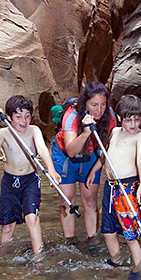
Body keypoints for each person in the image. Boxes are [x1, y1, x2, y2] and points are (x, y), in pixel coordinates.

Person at [0, 95, 61, 258]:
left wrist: (51, 171)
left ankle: (39, 258)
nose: (23, 121)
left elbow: (42, 150)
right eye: (18, 116)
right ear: (10, 117)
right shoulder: (4, 133)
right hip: (9, 182)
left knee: (32, 218)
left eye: (27, 116)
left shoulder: (34, 130)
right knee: (8, 226)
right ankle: (4, 257)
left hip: (30, 181)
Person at [86, 94, 141, 279]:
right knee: (108, 230)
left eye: (137, 119)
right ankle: (117, 262)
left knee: (131, 234)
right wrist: (93, 171)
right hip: (111, 187)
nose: (133, 124)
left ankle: (139, 269)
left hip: (128, 189)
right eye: (129, 119)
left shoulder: (140, 136)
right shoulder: (114, 132)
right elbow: (105, 155)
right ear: (121, 117)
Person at [51, 81, 117, 249]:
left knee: (90, 201)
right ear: (85, 103)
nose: (99, 110)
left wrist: (95, 170)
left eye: (102, 104)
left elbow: (108, 148)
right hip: (65, 156)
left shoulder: (109, 116)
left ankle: (92, 241)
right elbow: (71, 150)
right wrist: (86, 131)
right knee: (68, 202)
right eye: (94, 105)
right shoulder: (72, 115)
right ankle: (70, 242)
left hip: (91, 156)